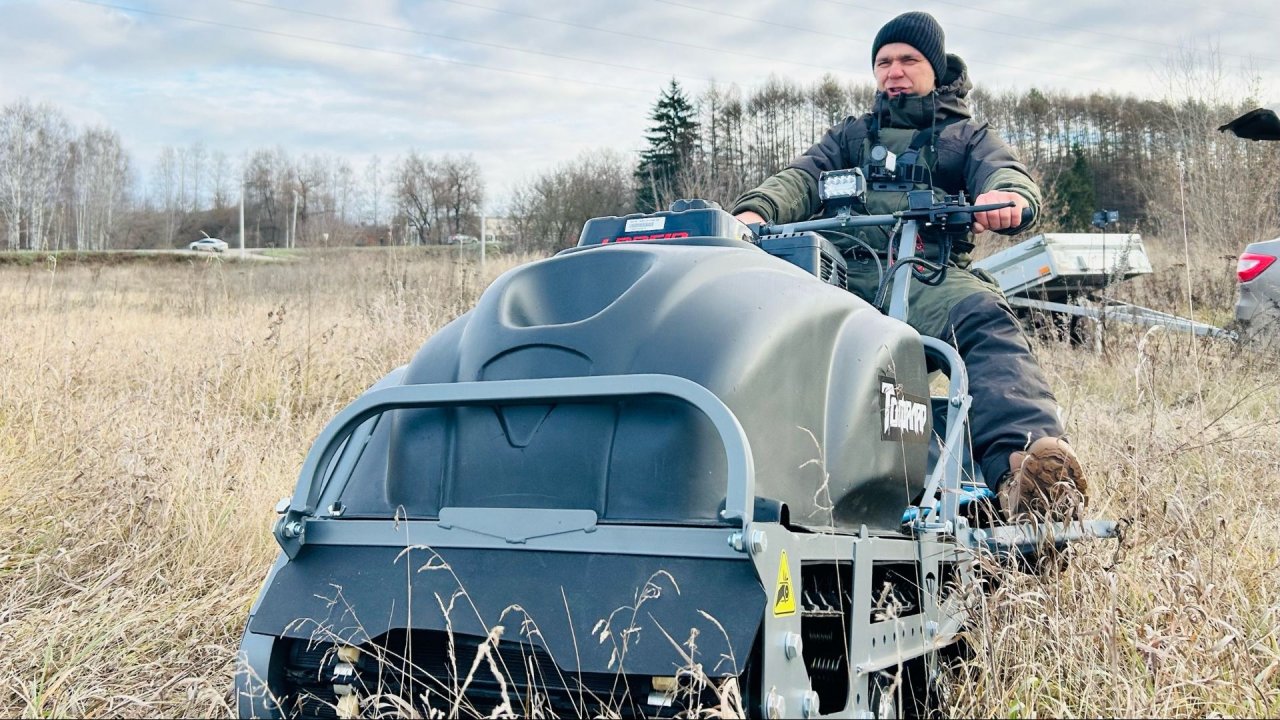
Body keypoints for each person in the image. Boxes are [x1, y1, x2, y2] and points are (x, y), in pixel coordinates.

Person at [731, 10, 1087, 521]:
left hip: (929, 274)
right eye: (883, 62)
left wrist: (1006, 196)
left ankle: (1027, 474)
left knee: (985, 320)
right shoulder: (850, 137)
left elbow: (1002, 171)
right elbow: (801, 178)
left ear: (934, 69)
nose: (894, 71)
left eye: (908, 59)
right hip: (844, 275)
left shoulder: (965, 136)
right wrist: (754, 210)